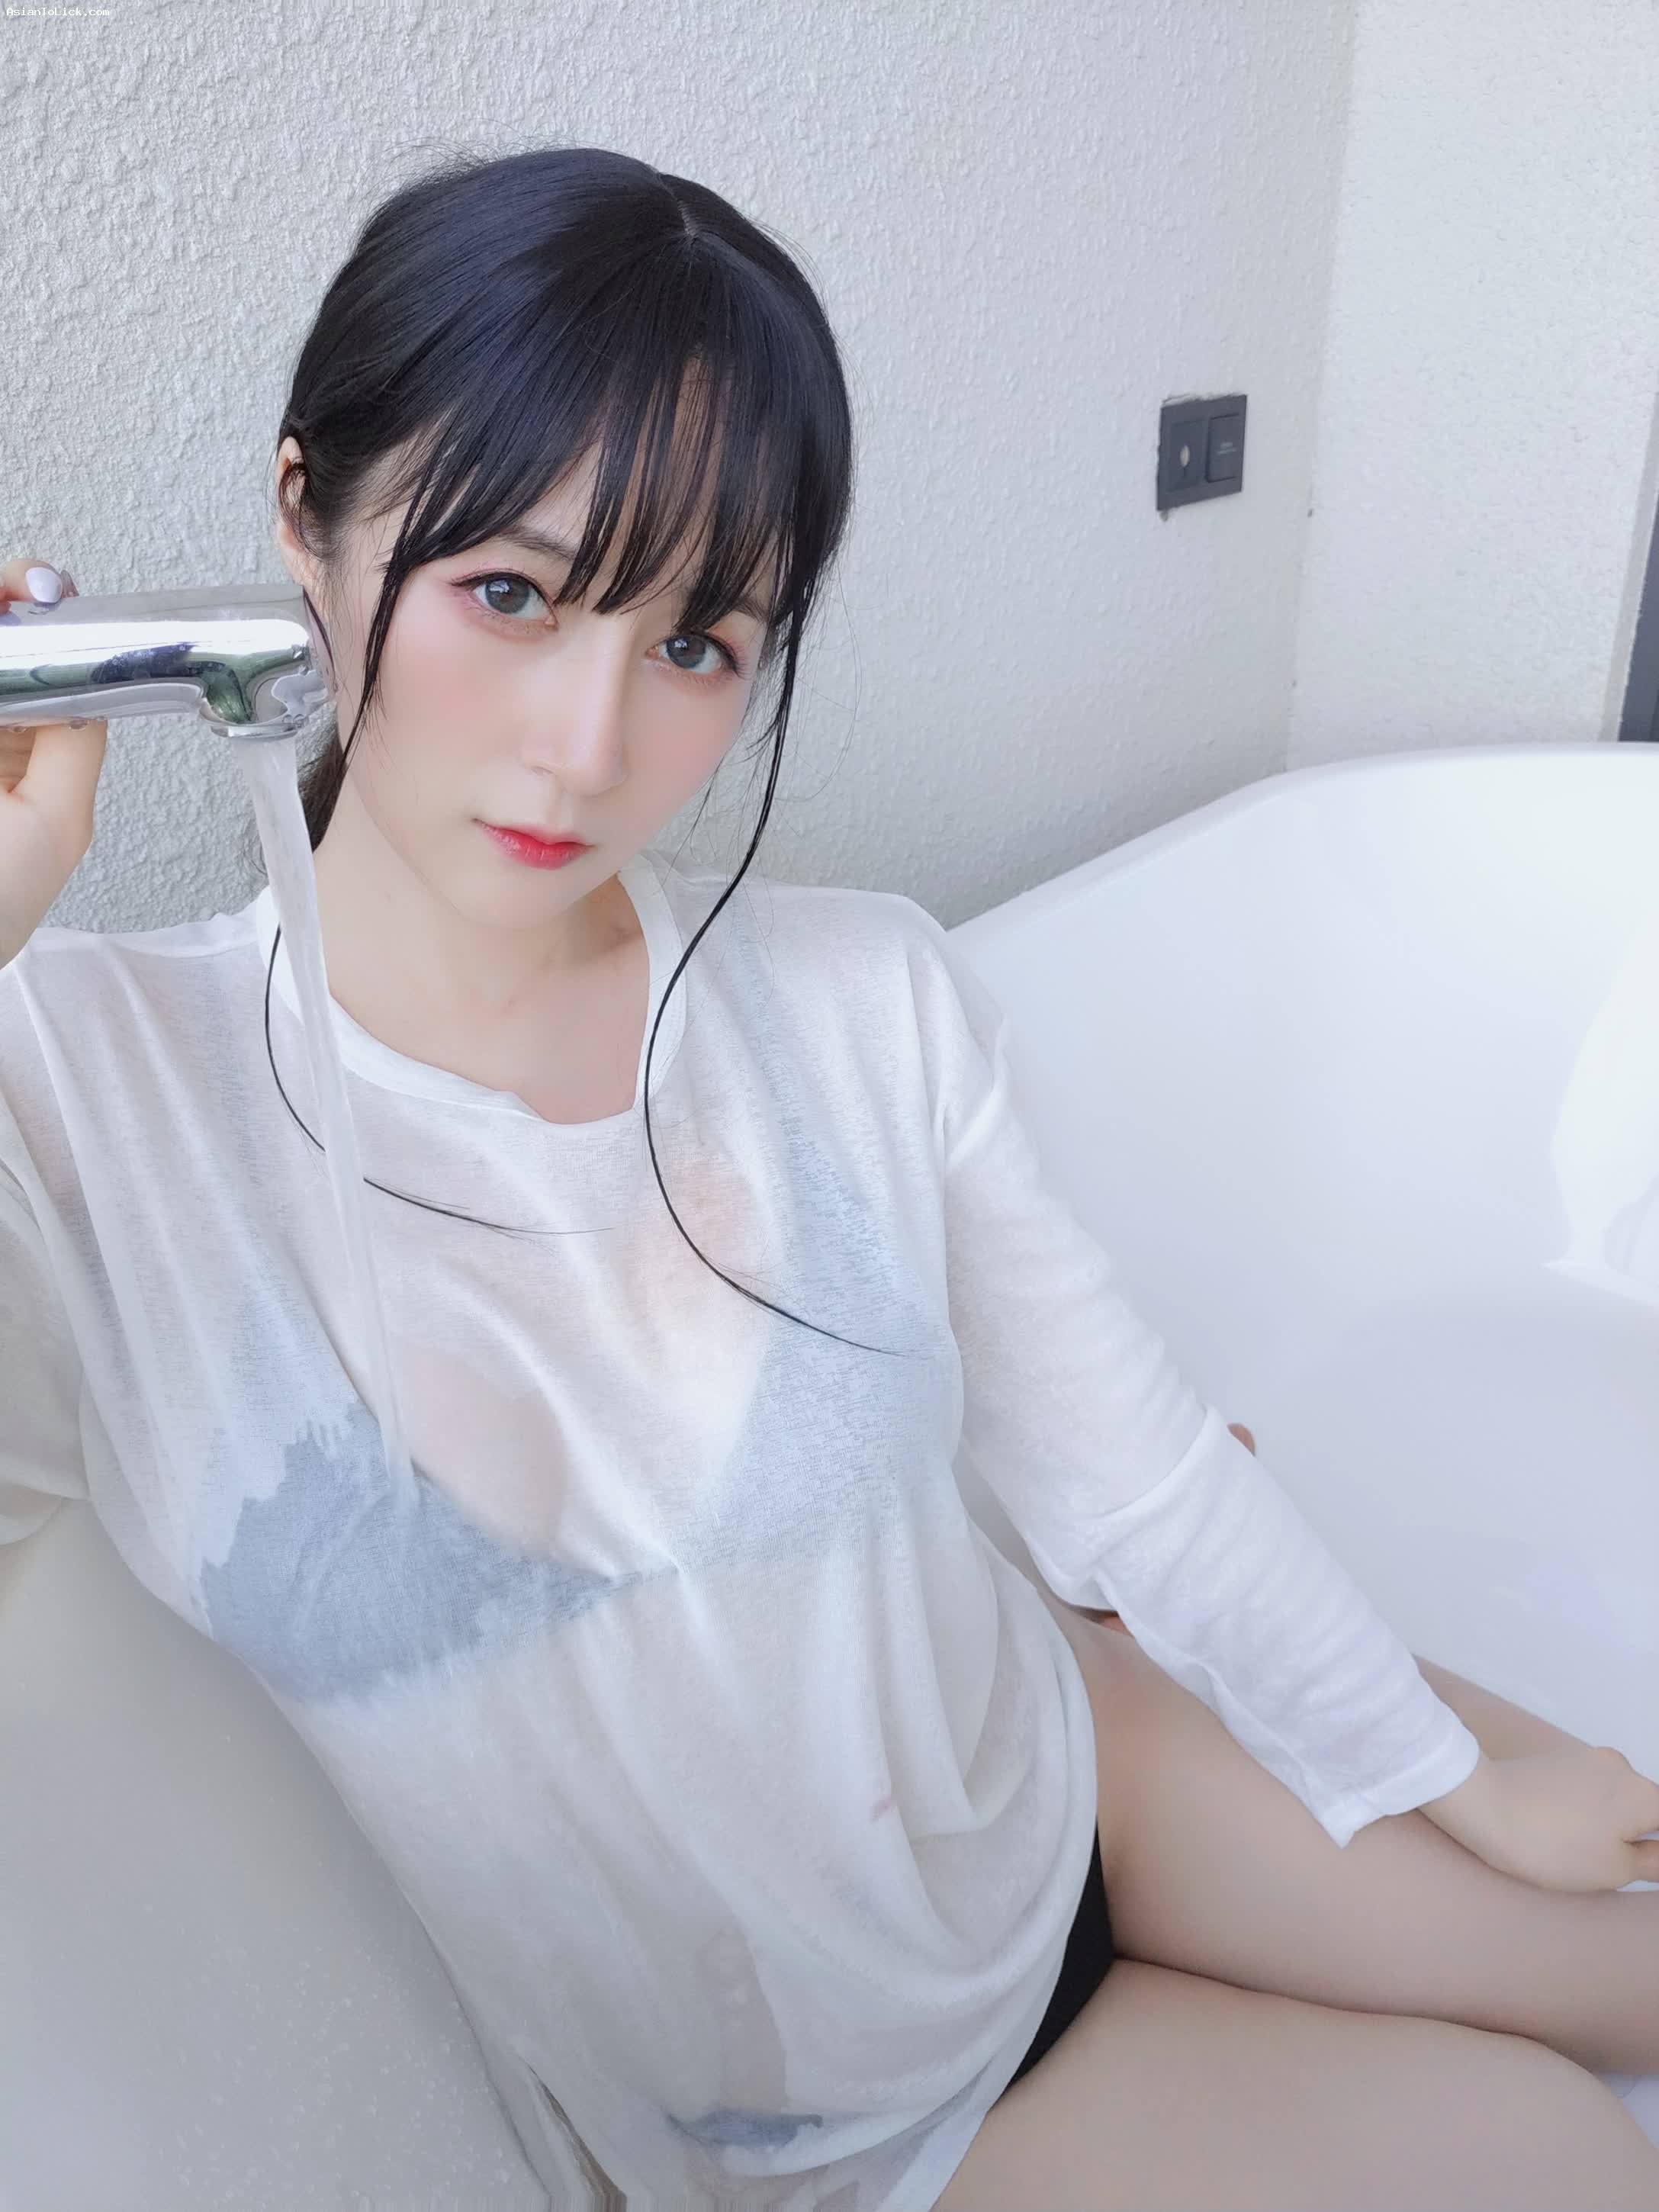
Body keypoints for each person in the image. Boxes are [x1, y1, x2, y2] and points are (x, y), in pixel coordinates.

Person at [2, 145, 1657, 2212]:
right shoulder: (76, 1095)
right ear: (303, 527)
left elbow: (1136, 1477)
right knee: (1568, 2163)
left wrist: (1464, 1779)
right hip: (853, 2135)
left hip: (1065, 1761)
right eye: (511, 594)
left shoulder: (864, 994)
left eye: (699, 642)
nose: (588, 743)